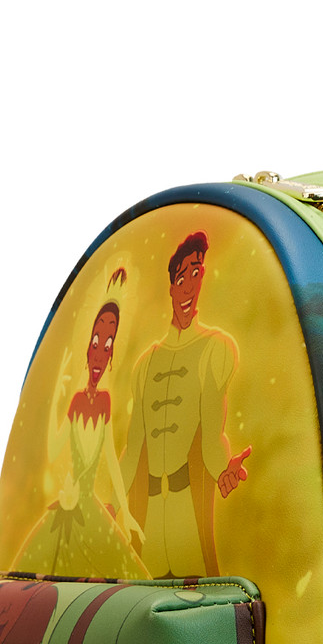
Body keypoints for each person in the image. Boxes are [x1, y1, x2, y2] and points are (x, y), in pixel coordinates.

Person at [120, 232, 251, 578]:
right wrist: (111, 500)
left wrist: (224, 470)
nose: (189, 288)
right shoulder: (145, 364)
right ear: (171, 288)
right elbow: (133, 448)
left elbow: (212, 436)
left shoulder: (214, 349)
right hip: (148, 522)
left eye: (196, 274)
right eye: (181, 279)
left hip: (188, 518)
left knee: (195, 599)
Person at [14, 268, 146, 577]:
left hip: (90, 509)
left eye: (108, 345)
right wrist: (56, 400)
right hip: (65, 508)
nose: (99, 354)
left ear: (112, 353)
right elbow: (54, 447)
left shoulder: (105, 402)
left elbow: (111, 459)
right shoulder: (75, 402)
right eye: (96, 342)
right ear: (87, 346)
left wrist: (126, 512)